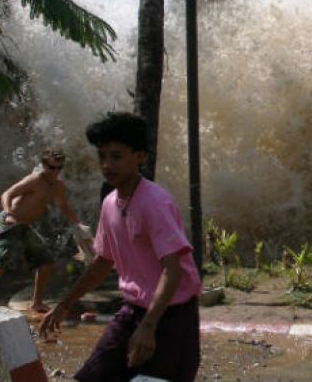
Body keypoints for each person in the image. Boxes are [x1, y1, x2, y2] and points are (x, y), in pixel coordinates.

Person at [39, 112, 202, 381]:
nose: (106, 165)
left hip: (171, 317)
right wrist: (63, 305)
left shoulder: (155, 202)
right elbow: (103, 262)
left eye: (116, 156)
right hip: (132, 312)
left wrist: (149, 326)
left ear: (140, 157)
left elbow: (172, 271)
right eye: (102, 156)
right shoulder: (110, 202)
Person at [0, 147, 84, 326]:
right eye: (51, 167)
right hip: (9, 224)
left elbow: (63, 206)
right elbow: (7, 194)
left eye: (59, 168)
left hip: (27, 226)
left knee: (46, 262)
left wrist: (78, 223)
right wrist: (8, 213)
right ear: (43, 164)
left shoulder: (58, 186)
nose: (55, 172)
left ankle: (36, 302)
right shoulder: (35, 179)